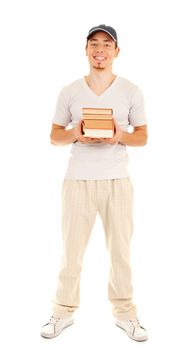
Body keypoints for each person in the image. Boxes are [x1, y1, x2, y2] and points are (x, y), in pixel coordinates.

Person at [41, 24, 148, 342]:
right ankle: (62, 313)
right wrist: (76, 133)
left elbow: (142, 136)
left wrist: (119, 135)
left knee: (121, 253)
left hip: (117, 181)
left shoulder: (131, 90)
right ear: (86, 50)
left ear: (116, 52)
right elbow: (54, 136)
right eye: (93, 44)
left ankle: (126, 315)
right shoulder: (70, 91)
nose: (99, 49)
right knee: (71, 253)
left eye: (106, 44)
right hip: (77, 182)